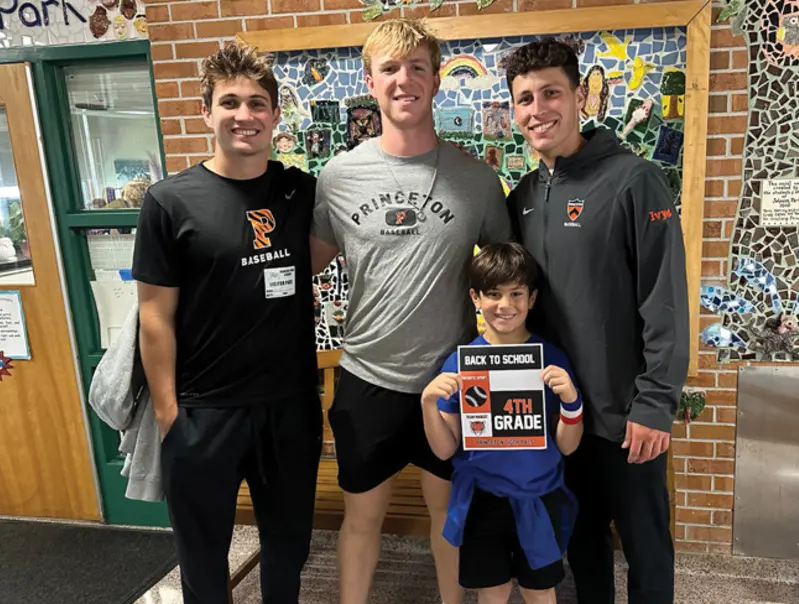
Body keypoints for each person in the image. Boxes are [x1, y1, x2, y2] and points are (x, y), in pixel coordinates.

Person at [309, 17, 513, 604]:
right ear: (370, 83)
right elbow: (305, 266)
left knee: (449, 518)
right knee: (362, 519)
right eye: (390, 70)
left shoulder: (476, 179)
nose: (404, 80)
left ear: (436, 78)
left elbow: (507, 274)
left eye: (417, 67)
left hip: (450, 380)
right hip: (366, 379)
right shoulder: (339, 175)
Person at [499, 38, 691, 604]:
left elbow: (666, 299)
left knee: (646, 548)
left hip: (629, 414)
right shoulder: (525, 195)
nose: (538, 110)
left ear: (581, 95)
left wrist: (656, 402)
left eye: (551, 93)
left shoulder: (635, 180)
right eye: (525, 99)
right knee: (581, 546)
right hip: (563, 418)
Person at [133, 41, 322, 604]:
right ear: (206, 112)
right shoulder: (169, 201)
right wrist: (170, 414)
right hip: (203, 411)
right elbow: (154, 315)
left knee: (288, 552)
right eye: (231, 102)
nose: (245, 115)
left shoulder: (300, 191)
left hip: (289, 409)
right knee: (204, 558)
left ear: (275, 114)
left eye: (258, 103)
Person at [421, 242, 584, 604]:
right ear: (475, 298)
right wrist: (429, 403)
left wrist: (572, 400)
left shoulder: (550, 359)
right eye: (493, 294)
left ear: (533, 297)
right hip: (483, 498)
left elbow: (569, 445)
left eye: (516, 294)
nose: (505, 305)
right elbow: (446, 448)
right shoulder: (461, 363)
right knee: (491, 590)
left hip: (539, 495)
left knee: (539, 589)